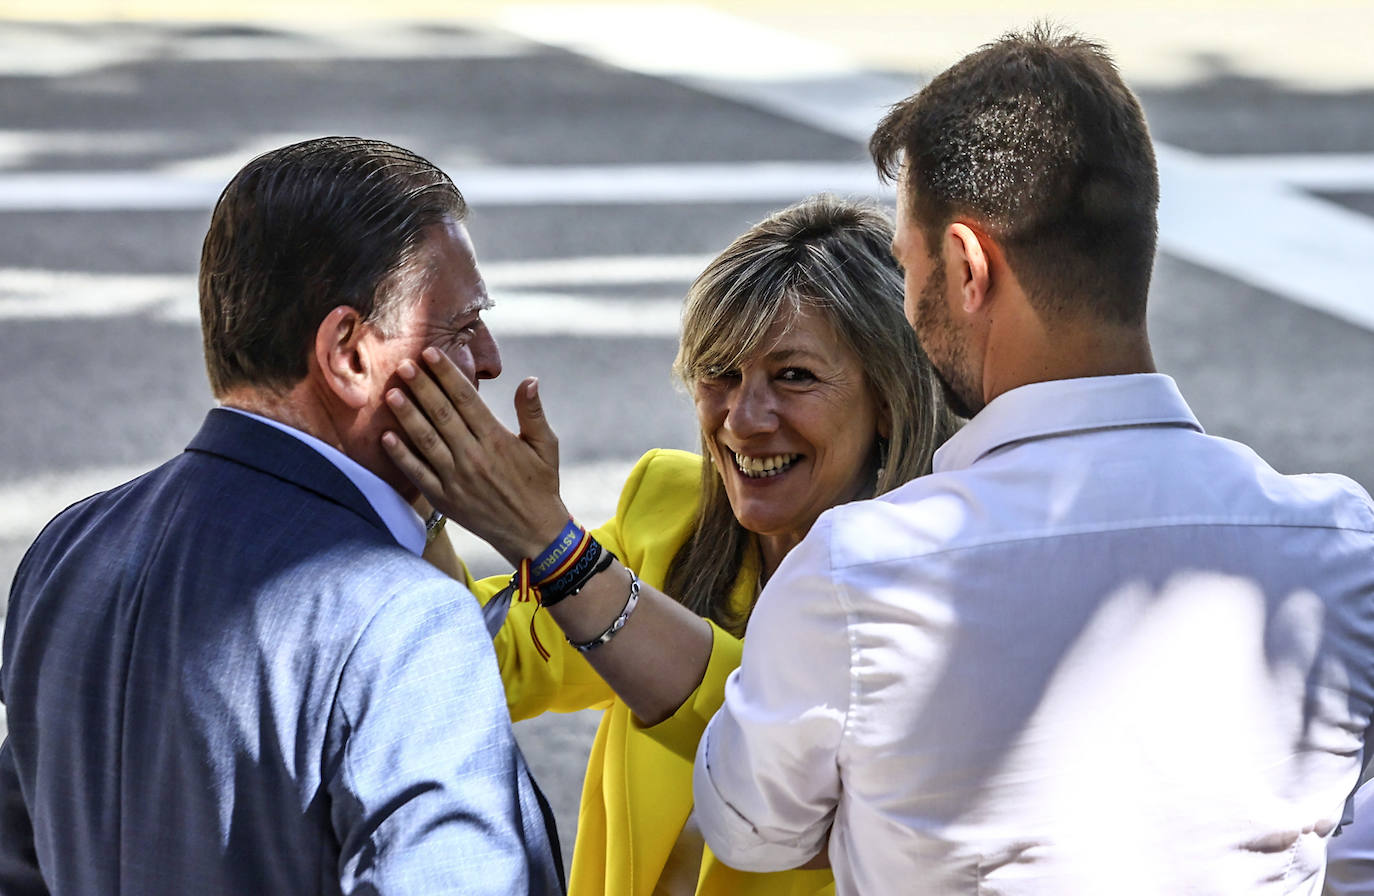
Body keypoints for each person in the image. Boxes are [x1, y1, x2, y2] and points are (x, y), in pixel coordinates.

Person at [686, 26, 1374, 895]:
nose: (906, 302)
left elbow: (748, 830)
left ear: (968, 267)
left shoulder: (857, 572)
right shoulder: (1341, 545)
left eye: (906, 265)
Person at [0, 137, 563, 895]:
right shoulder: (406, 621)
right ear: (349, 355)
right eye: (460, 329)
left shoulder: (72, 549)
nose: (489, 361)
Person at [380, 195, 958, 895]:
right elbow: (481, 665)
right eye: (721, 374)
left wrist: (550, 546)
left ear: (891, 399)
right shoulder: (667, 509)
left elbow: (779, 759)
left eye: (793, 376)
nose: (743, 421)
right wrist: (427, 485)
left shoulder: (944, 580)